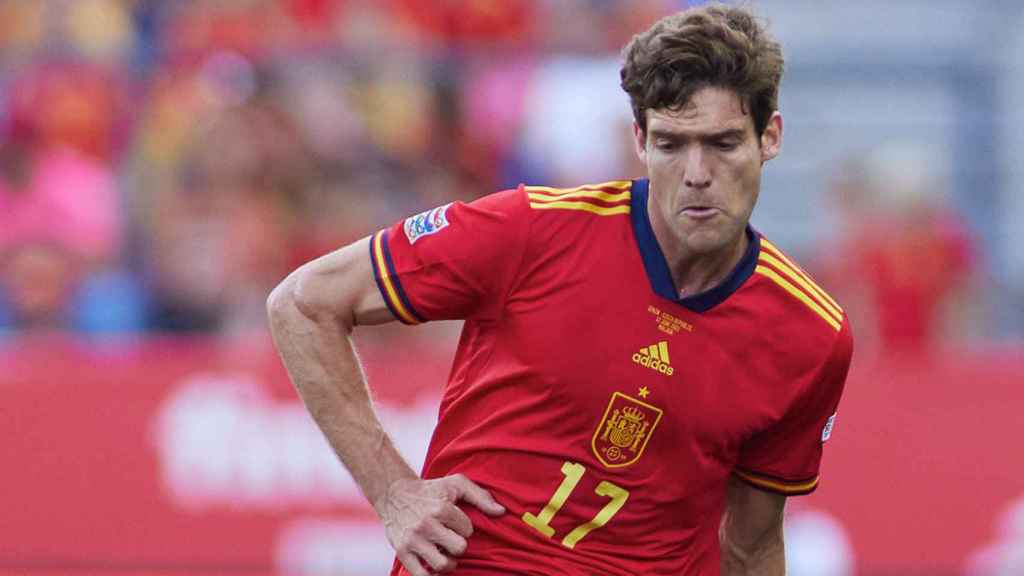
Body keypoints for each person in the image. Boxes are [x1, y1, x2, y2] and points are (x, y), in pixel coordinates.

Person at [268, 4, 853, 575]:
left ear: (769, 137)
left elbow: (752, 547)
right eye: (672, 144)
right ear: (640, 140)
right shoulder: (529, 230)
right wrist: (394, 493)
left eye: (723, 143)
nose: (697, 173)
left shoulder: (810, 336)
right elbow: (303, 303)